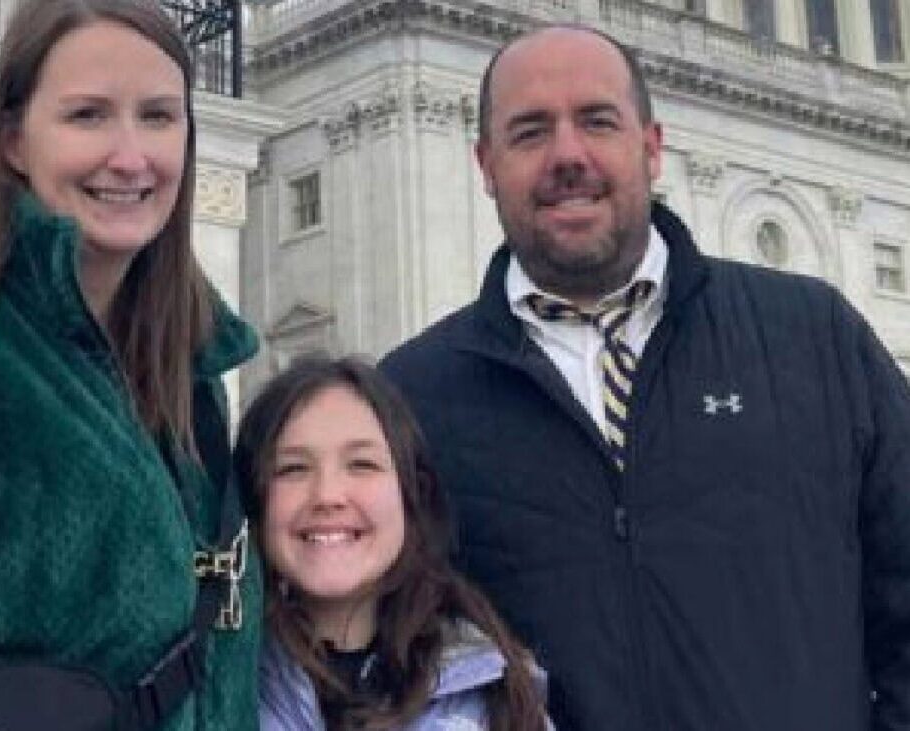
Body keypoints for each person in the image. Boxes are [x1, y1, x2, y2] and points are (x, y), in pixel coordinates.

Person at [380, 24, 910, 731]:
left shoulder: (814, 335)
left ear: (652, 147)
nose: (568, 155)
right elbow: (380, 645)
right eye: (530, 132)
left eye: (597, 121)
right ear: (485, 164)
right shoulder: (411, 397)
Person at [0, 1, 260, 728]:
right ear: (14, 139)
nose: (131, 156)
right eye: (87, 115)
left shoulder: (194, 366)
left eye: (158, 116)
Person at [233, 356, 552, 730]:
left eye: (361, 464)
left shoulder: (493, 691)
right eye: (293, 469)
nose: (327, 495)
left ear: (410, 492)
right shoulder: (215, 685)